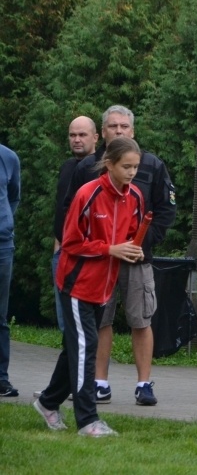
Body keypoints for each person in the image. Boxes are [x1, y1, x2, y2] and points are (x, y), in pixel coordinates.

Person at [64, 105, 176, 406]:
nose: (118, 131)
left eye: (124, 127)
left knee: (141, 319)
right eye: (112, 127)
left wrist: (140, 243)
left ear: (133, 131)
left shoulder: (151, 165)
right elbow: (69, 216)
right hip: (99, 261)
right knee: (102, 319)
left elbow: (165, 210)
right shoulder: (87, 167)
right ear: (102, 132)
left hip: (138, 259)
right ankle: (99, 382)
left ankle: (144, 384)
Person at [33, 137, 145, 436]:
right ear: (108, 163)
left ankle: (47, 403)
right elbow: (70, 242)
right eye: (126, 167)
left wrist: (134, 249)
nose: (132, 172)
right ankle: (88, 420)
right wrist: (110, 249)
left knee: (75, 348)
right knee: (86, 347)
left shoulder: (134, 197)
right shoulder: (88, 193)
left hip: (103, 288)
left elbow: (131, 236)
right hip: (76, 283)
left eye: (136, 167)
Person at [52, 116, 99, 332]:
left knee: (84, 327)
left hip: (88, 256)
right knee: (66, 325)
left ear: (96, 137)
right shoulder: (67, 167)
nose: (77, 140)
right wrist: (57, 248)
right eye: (72, 135)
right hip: (62, 254)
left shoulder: (100, 170)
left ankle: (89, 366)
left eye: (82, 135)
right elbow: (61, 210)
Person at [0, 143, 20, 398]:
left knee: (0, 316)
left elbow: (13, 197)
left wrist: (5, 223)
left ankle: (1, 378)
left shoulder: (8, 157)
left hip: (2, 245)